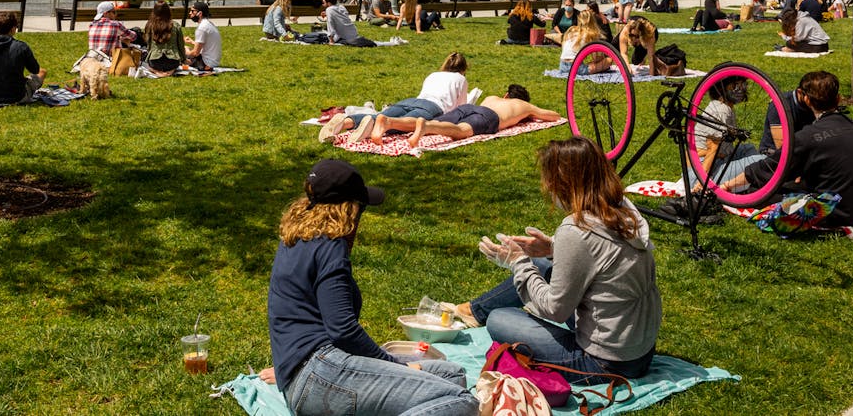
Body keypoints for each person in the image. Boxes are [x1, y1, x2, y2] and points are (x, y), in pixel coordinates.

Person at [266, 159, 476, 416]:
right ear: (350, 209)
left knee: (451, 375)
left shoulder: (296, 237)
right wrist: (393, 364)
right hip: (321, 373)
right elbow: (342, 328)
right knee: (462, 401)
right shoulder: (331, 247)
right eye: (361, 207)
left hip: (306, 377)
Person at [453, 137, 660, 382]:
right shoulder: (623, 210)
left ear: (562, 183)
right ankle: (475, 311)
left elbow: (555, 310)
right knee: (541, 265)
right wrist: (551, 248)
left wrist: (517, 262)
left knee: (499, 319)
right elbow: (604, 259)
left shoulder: (576, 230)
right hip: (639, 350)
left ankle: (480, 313)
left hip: (605, 362)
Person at [726, 71, 853, 228]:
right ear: (838, 99)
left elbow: (769, 168)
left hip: (840, 214)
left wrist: (726, 187)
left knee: (758, 192)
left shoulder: (807, 137)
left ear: (806, 99)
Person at [320, 52, 471, 142]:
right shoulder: (461, 79)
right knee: (403, 124)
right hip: (433, 107)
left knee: (378, 116)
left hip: (412, 101)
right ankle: (385, 124)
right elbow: (461, 106)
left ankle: (345, 122)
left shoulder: (434, 74)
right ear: (463, 68)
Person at [386, 84, 562, 147]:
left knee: (434, 121)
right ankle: (427, 127)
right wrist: (530, 113)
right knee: (460, 130)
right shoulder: (524, 105)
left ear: (506, 95)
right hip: (490, 117)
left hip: (469, 107)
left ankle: (389, 121)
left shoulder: (492, 97)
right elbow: (553, 116)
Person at [0, 11, 44, 103]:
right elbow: (35, 70)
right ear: (13, 29)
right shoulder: (21, 47)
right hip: (17, 96)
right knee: (43, 72)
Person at [559, 6, 611, 74]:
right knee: (608, 60)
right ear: (593, 21)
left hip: (562, 66)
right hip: (577, 68)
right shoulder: (591, 34)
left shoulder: (571, 30)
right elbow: (596, 58)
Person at [144, 1, 188, 74]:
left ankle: (157, 72)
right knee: (173, 65)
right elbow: (180, 44)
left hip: (155, 62)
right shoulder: (175, 25)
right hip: (172, 62)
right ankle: (170, 71)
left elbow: (148, 43)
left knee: (144, 63)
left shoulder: (150, 25)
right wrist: (183, 59)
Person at [185, 1, 221, 70]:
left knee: (182, 50)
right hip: (213, 61)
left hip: (205, 63)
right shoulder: (208, 24)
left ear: (200, 13)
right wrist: (192, 42)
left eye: (192, 11)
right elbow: (206, 45)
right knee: (187, 48)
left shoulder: (202, 28)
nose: (190, 13)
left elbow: (195, 53)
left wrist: (185, 52)